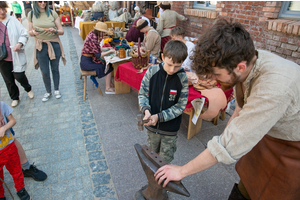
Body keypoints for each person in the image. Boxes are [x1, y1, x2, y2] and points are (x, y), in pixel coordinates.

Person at [154, 19, 300, 200]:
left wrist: (182, 171)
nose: (214, 79)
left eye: (217, 74)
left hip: (293, 148)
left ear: (240, 67)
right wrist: (226, 134)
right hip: (271, 133)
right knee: (247, 182)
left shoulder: (274, 88)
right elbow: (241, 105)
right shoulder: (247, 59)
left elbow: (229, 145)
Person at [138, 40, 189, 163]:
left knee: (165, 161)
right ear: (162, 57)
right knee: (151, 156)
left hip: (170, 131)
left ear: (183, 62)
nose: (172, 70)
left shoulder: (182, 78)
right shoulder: (152, 71)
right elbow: (143, 94)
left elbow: (180, 106)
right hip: (152, 127)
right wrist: (146, 110)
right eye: (169, 64)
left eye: (177, 66)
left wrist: (159, 117)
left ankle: (162, 180)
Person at [170, 27, 228, 119]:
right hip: (192, 72)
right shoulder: (182, 46)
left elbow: (186, 64)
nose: (172, 40)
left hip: (196, 73)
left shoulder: (191, 47)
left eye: (173, 38)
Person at [28, 1, 66, 102]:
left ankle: (56, 90)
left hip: (54, 44)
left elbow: (61, 31)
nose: (43, 3)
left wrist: (55, 31)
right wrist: (33, 32)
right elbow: (29, 31)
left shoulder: (52, 13)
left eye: (45, 1)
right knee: (44, 71)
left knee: (55, 69)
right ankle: (48, 91)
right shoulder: (31, 14)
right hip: (40, 45)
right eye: (40, 1)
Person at [0, 1, 34, 108]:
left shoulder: (12, 20)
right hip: (2, 57)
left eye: (3, 9)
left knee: (19, 76)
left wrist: (20, 43)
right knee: (8, 80)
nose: (1, 12)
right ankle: (15, 97)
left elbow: (24, 33)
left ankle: (28, 88)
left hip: (15, 54)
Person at [0, 100, 31, 200]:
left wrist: (4, 128)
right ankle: (1, 195)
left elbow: (13, 120)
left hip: (9, 148)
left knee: (16, 170)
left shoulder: (1, 105)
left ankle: (20, 189)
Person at [80, 22, 116, 94]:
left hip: (87, 59)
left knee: (106, 64)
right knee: (106, 66)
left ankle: (110, 84)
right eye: (103, 33)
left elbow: (96, 49)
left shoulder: (92, 34)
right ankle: (108, 88)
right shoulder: (93, 37)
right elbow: (98, 55)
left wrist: (107, 48)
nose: (103, 35)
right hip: (86, 62)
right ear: (99, 31)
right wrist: (110, 51)